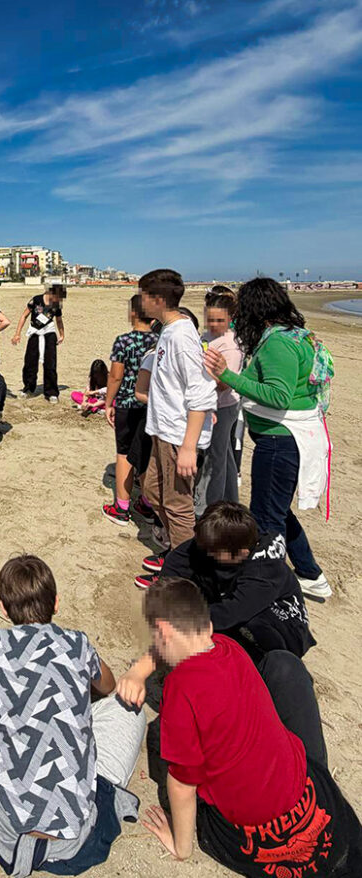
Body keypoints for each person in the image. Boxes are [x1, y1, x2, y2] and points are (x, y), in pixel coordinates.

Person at [138, 578, 361, 876]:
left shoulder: (180, 689)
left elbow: (181, 784)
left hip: (254, 828)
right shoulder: (231, 649)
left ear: (163, 633)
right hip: (301, 792)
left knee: (203, 808)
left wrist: (182, 847)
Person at [0, 555, 144, 876]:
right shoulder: (78, 644)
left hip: (6, 823)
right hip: (76, 830)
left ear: (4, 609)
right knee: (129, 705)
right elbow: (108, 685)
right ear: (57, 603)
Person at [205, 278, 333, 600]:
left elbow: (278, 395)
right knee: (278, 510)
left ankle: (265, 587)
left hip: (280, 442)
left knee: (265, 520)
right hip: (286, 440)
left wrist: (227, 374)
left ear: (256, 309)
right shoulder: (293, 335)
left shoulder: (278, 343)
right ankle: (310, 573)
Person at [134, 502, 315, 660]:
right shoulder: (215, 541)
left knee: (249, 625)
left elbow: (234, 611)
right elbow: (175, 567)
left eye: (213, 552)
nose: (206, 552)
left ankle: (255, 666)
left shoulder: (263, 570)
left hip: (282, 628)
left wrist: (185, 621)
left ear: (242, 553)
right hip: (233, 605)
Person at [139, 270, 216, 557]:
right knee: (151, 491)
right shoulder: (169, 331)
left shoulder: (182, 336)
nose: (140, 302)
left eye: (143, 296)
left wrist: (188, 446)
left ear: (158, 300)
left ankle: (184, 570)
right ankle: (178, 551)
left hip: (177, 436)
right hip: (163, 431)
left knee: (178, 505)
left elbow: (201, 392)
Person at [102, 295, 159, 526]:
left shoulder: (123, 341)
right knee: (146, 455)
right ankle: (146, 503)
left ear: (134, 313)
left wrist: (108, 402)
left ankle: (121, 507)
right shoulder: (159, 340)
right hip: (151, 406)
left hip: (127, 403)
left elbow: (115, 375)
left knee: (125, 453)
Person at [195, 291, 243, 515]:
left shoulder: (231, 346)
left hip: (223, 407)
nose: (213, 324)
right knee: (224, 456)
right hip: (209, 403)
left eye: (219, 321)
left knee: (214, 460)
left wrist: (195, 379)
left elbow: (225, 383)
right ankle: (231, 501)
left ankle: (208, 509)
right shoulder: (207, 336)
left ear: (230, 319)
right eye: (210, 319)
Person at [12, 285, 65, 402]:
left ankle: (51, 392)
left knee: (50, 363)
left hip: (49, 334)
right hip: (35, 333)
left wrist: (62, 335)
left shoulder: (56, 305)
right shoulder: (36, 300)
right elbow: (24, 315)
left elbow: (59, 320)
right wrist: (17, 333)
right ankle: (28, 389)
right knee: (30, 362)